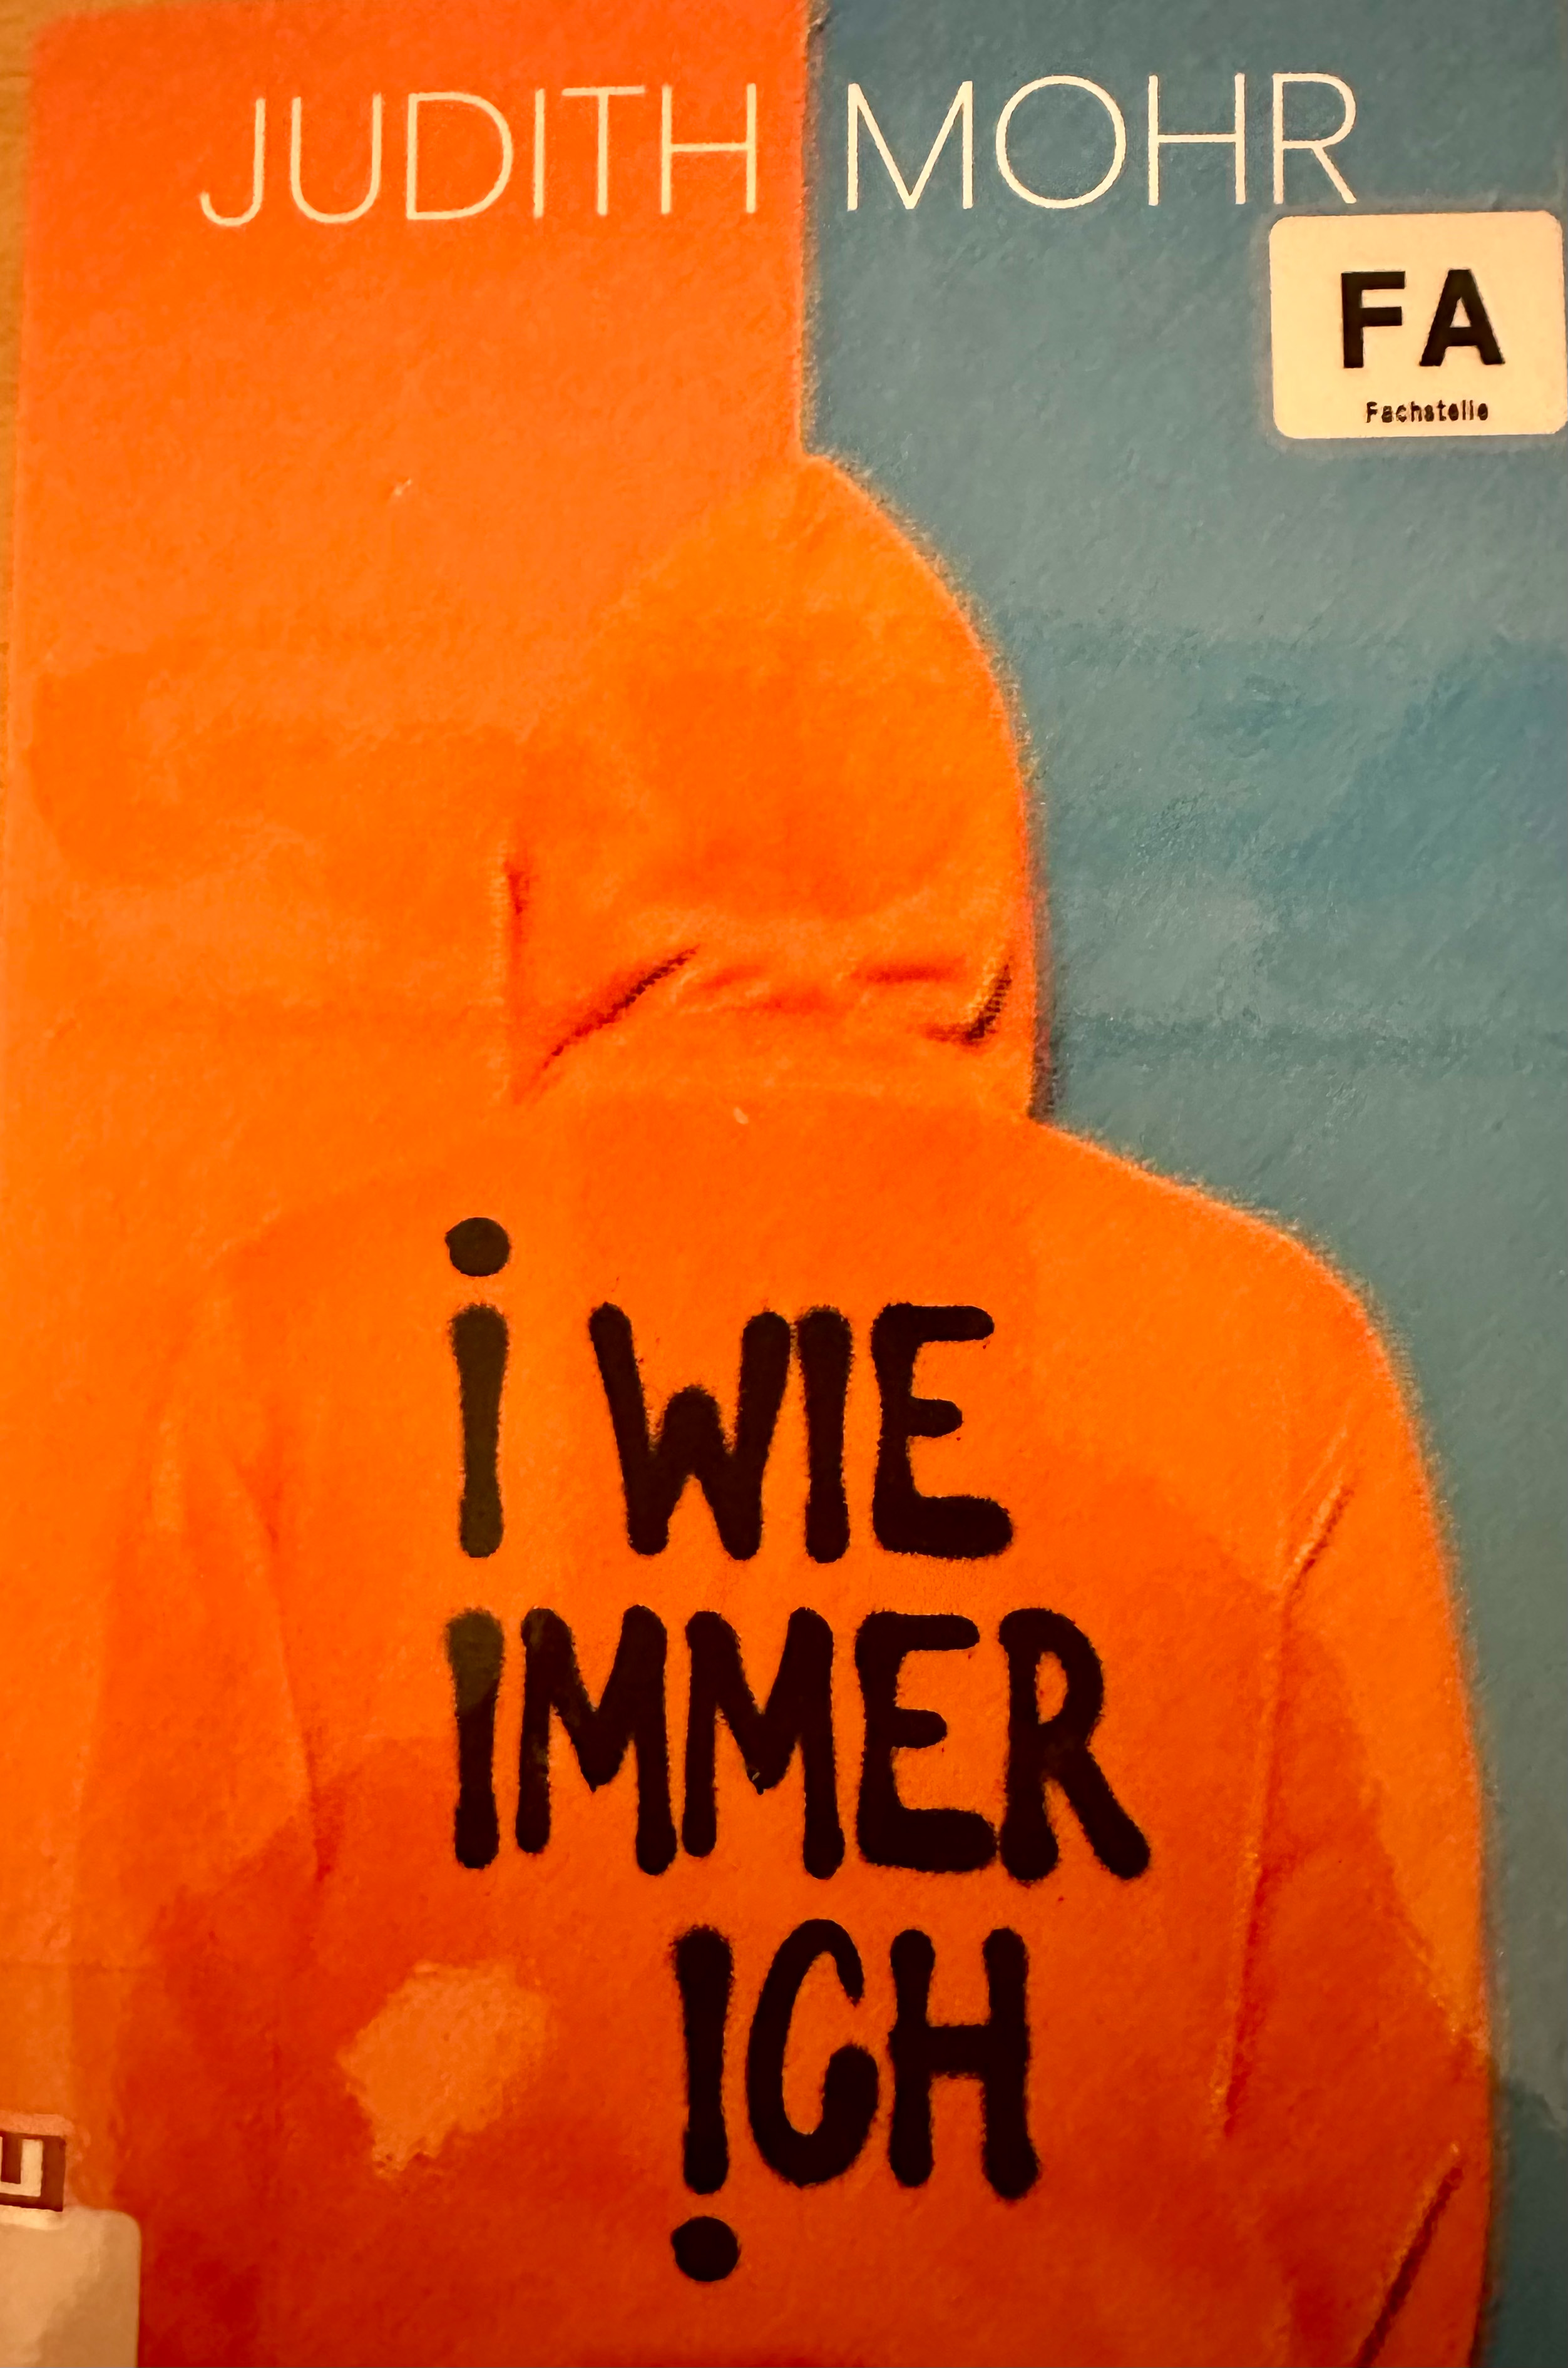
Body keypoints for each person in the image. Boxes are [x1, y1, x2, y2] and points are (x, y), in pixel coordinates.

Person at [73, 456, 1489, 2367]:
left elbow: (181, 2106)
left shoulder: (288, 1343)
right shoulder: (1275, 1351)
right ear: (994, 898)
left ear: (545, 887)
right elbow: (1378, 2133)